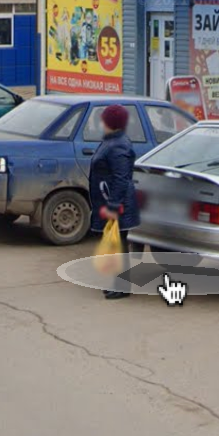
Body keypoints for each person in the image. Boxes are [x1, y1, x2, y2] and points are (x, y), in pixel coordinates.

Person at [89, 102, 139, 299]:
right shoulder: (111, 141)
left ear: (110, 122)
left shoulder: (118, 145)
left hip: (118, 204)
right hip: (109, 200)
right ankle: (117, 283)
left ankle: (123, 286)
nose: (101, 123)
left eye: (104, 120)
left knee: (119, 243)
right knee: (115, 243)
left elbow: (121, 178)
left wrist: (113, 205)